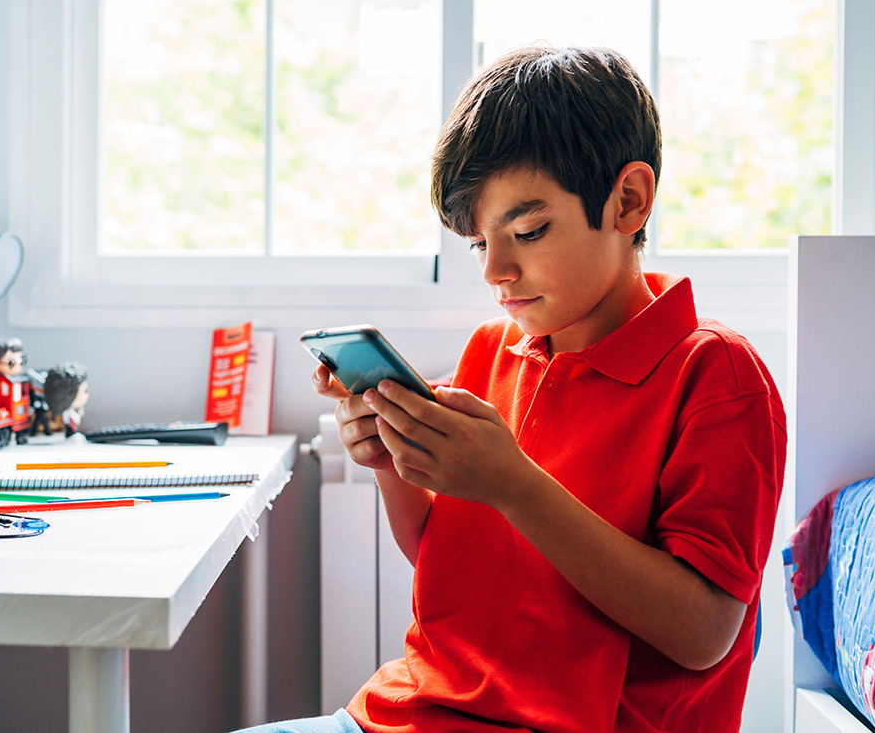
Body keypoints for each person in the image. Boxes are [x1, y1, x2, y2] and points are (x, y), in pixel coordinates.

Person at [240, 45, 786, 733]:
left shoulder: (716, 376)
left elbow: (706, 631)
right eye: (479, 244)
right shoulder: (490, 351)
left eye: (528, 231)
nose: (496, 270)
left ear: (628, 201)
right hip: (418, 710)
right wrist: (390, 462)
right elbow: (453, 560)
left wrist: (515, 484)